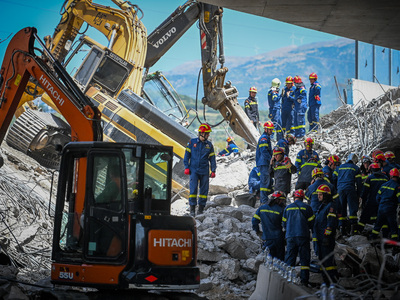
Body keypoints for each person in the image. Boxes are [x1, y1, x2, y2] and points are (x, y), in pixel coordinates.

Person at [283, 189, 315, 286]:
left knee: (290, 258)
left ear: (294, 197)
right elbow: (312, 223)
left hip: (290, 236)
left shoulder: (287, 208)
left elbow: (284, 223)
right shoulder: (307, 208)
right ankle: (304, 281)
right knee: (304, 259)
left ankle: (289, 279)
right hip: (303, 236)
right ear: (303, 197)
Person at [184, 123, 217, 216]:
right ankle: (192, 209)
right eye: (207, 133)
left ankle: (201, 209)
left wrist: (213, 170)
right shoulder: (192, 142)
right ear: (202, 133)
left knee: (204, 191)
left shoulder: (209, 145)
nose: (208, 135)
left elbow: (212, 159)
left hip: (204, 171)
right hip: (193, 170)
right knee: (193, 190)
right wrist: (186, 167)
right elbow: (186, 156)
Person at [314, 184, 338, 284]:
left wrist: (327, 236)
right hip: (320, 238)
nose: (318, 196)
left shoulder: (330, 206)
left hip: (326, 239)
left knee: (327, 260)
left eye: (320, 194)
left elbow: (330, 223)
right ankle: (326, 279)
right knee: (323, 260)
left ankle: (330, 281)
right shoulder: (322, 206)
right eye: (318, 194)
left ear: (326, 195)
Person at [252, 191, 286, 260]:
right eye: (282, 200)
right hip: (278, 238)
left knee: (268, 260)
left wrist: (257, 231)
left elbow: (254, 221)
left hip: (267, 238)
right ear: (277, 200)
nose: (282, 202)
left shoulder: (262, 208)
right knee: (280, 261)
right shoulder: (281, 210)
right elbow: (286, 225)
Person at [334, 153, 362, 235]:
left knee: (342, 208)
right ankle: (353, 228)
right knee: (352, 208)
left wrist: (336, 189)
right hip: (350, 189)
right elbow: (359, 183)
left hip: (340, 190)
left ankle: (342, 228)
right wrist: (359, 194)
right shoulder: (356, 168)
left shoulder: (339, 168)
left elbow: (334, 178)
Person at [356, 163, 388, 234]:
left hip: (371, 201)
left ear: (371, 170)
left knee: (364, 216)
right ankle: (385, 233)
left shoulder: (370, 178)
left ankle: (359, 230)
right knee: (382, 218)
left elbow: (365, 190)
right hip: (382, 202)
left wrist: (362, 198)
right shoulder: (385, 178)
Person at [370, 168, 400, 242]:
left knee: (377, 226)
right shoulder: (397, 186)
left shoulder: (384, 185)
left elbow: (377, 197)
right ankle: (394, 245)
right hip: (390, 209)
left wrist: (381, 204)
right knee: (393, 228)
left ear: (390, 176)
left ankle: (372, 240)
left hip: (381, 208)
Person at [256, 121, 274, 203]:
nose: (271, 131)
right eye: (270, 129)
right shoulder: (264, 138)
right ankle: (263, 201)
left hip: (265, 163)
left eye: (272, 129)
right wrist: (271, 160)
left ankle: (265, 200)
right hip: (264, 163)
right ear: (266, 129)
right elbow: (264, 151)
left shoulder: (266, 137)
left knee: (268, 182)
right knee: (264, 183)